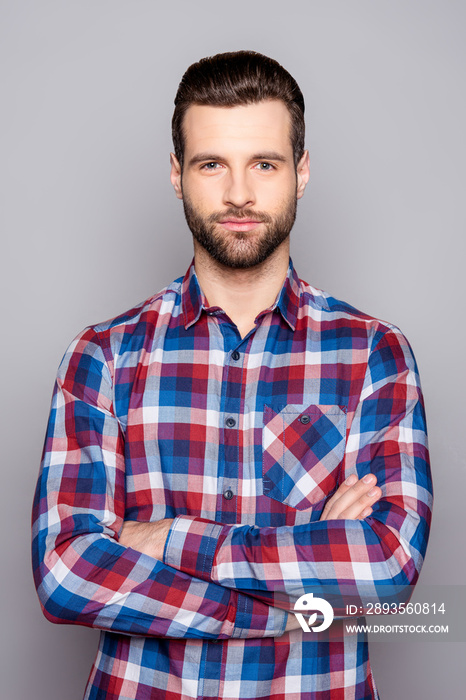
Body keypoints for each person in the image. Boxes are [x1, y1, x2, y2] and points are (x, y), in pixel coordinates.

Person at [32, 51, 432, 700]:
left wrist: (168, 540)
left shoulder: (373, 357)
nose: (239, 194)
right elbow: (67, 573)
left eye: (265, 165)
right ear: (175, 173)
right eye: (211, 164)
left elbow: (386, 568)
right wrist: (289, 593)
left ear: (301, 173)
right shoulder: (102, 357)